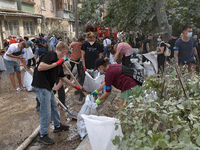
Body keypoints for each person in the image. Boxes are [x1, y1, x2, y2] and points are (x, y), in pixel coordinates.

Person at [31, 42, 84, 145]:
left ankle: (57, 125)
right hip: (41, 86)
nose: (68, 54)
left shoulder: (58, 62)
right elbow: (40, 67)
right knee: (45, 111)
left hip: (47, 87)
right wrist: (57, 63)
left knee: (54, 106)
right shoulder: (51, 55)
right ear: (63, 51)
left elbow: (63, 78)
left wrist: (75, 86)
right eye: (68, 52)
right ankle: (43, 135)